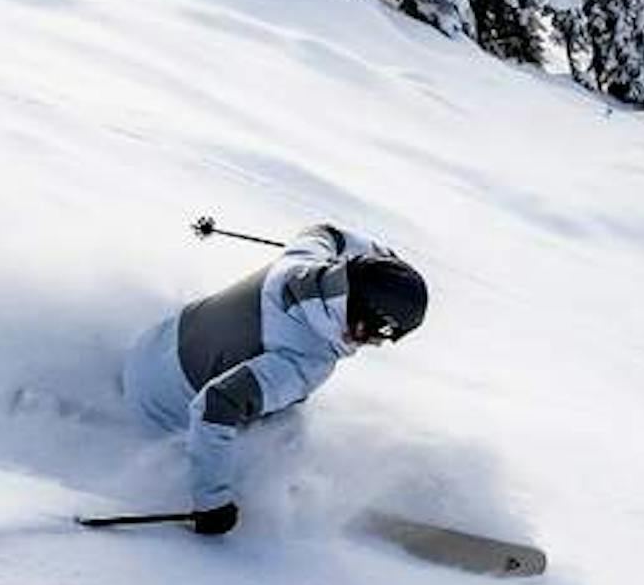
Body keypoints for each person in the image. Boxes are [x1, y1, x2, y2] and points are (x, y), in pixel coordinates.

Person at [121, 224, 430, 534]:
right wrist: (211, 504)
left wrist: (386, 263)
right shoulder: (304, 360)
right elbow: (216, 405)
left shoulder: (302, 261)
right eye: (380, 335)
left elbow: (328, 232)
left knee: (253, 370)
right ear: (363, 321)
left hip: (147, 350)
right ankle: (273, 492)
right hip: (163, 418)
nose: (374, 344)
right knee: (288, 428)